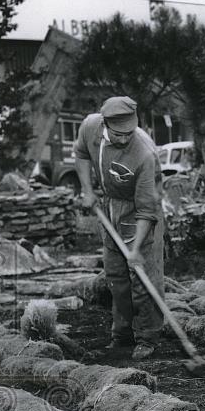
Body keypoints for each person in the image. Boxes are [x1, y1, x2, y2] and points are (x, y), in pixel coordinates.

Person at [74, 96, 165, 359]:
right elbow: (80, 154)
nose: (125, 138)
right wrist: (87, 190)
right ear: (105, 124)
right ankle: (122, 334)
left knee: (144, 277)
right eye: (119, 133)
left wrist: (135, 250)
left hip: (140, 213)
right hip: (109, 207)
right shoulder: (90, 126)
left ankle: (148, 337)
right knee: (116, 276)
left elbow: (148, 210)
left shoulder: (144, 153)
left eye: (130, 132)